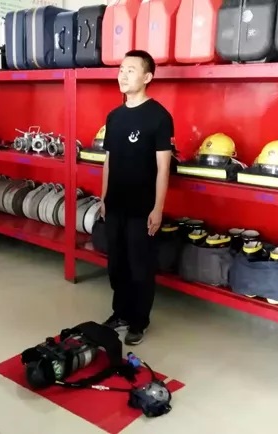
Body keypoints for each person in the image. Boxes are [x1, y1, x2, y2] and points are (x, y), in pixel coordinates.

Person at [100, 50, 174, 346]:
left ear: (147, 77)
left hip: (142, 208)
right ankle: (120, 312)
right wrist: (103, 198)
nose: (123, 75)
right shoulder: (114, 117)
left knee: (140, 266)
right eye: (121, 69)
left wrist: (158, 208)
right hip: (115, 204)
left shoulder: (159, 117)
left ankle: (138, 321)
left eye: (131, 70)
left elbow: (163, 167)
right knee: (116, 264)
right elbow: (108, 161)